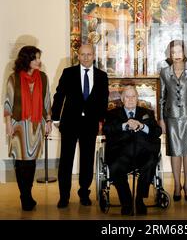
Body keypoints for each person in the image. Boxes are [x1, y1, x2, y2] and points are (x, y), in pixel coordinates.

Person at [51, 44, 109, 208]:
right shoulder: (68, 73)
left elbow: (103, 101)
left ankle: (84, 193)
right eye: (82, 54)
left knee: (87, 159)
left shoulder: (101, 76)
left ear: (93, 55)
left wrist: (101, 121)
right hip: (69, 122)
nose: (85, 57)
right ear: (78, 55)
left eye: (89, 54)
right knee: (66, 160)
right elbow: (59, 95)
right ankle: (64, 196)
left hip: (90, 124)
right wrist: (56, 118)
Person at [4, 46, 52, 210]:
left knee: (31, 162)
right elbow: (8, 102)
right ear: (27, 60)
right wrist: (8, 124)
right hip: (18, 125)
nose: (39, 61)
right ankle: (24, 196)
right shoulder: (14, 78)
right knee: (20, 161)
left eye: (39, 58)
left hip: (36, 125)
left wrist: (49, 121)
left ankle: (27, 194)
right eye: (36, 58)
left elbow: (47, 101)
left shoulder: (43, 77)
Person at [103, 85, 162, 215]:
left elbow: (158, 131)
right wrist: (124, 125)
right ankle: (126, 202)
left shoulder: (147, 113)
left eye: (133, 96)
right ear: (122, 99)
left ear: (137, 98)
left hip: (142, 152)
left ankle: (139, 199)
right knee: (116, 165)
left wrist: (142, 126)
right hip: (120, 154)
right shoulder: (113, 113)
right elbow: (106, 130)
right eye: (127, 97)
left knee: (151, 161)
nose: (130, 99)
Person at [159, 40, 187, 201]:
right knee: (175, 152)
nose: (176, 55)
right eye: (173, 52)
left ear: (184, 53)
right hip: (171, 118)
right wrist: (161, 120)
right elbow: (162, 98)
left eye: (179, 52)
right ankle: (177, 185)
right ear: (170, 55)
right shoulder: (164, 72)